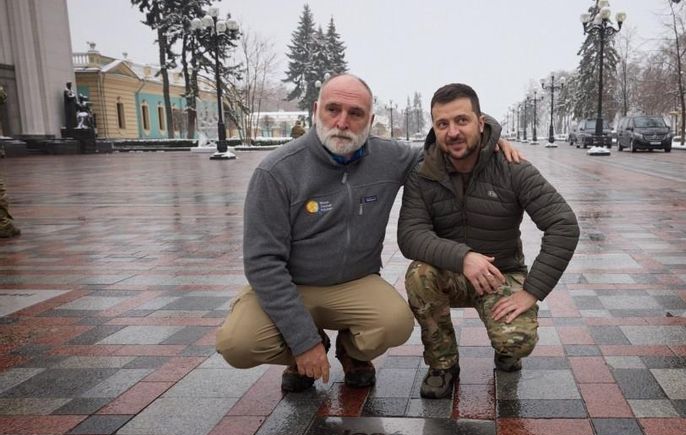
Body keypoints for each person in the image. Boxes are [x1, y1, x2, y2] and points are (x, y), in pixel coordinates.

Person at [216, 74, 521, 392]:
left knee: (395, 323)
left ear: (370, 120)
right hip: (289, 284)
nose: (342, 122)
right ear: (315, 109)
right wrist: (303, 341)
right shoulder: (276, 171)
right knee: (237, 344)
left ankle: (352, 354)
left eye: (355, 113)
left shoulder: (389, 157)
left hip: (354, 283)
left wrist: (488, 139)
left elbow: (448, 145)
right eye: (333, 109)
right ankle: (303, 348)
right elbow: (262, 263)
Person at [398, 83, 579, 399]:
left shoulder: (512, 168)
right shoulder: (423, 173)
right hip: (451, 273)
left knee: (517, 341)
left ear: (481, 123)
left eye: (462, 121)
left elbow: (563, 225)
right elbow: (410, 235)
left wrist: (532, 292)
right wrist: (463, 257)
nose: (453, 132)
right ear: (434, 128)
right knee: (419, 273)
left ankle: (505, 349)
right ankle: (443, 365)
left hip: (501, 274)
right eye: (443, 124)